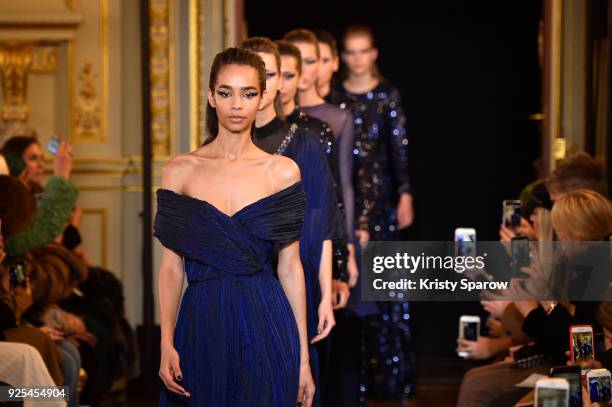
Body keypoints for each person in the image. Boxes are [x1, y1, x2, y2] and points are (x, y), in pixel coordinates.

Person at [155, 47, 315, 406]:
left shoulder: (282, 172)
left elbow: (290, 268)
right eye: (226, 93)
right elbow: (170, 267)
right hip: (202, 321)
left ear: (261, 99)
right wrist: (166, 342)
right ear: (211, 97)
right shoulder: (180, 169)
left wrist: (303, 359)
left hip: (265, 318)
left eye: (248, 94)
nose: (236, 105)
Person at [329, 24, 415, 403]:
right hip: (348, 201)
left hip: (381, 202)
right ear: (343, 56)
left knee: (389, 290)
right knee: (355, 288)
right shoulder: (335, 96)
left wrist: (405, 194)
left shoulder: (386, 95)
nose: (357, 59)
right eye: (350, 52)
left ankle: (394, 380)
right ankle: (358, 380)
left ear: (374, 53)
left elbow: (398, 150)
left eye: (364, 51)